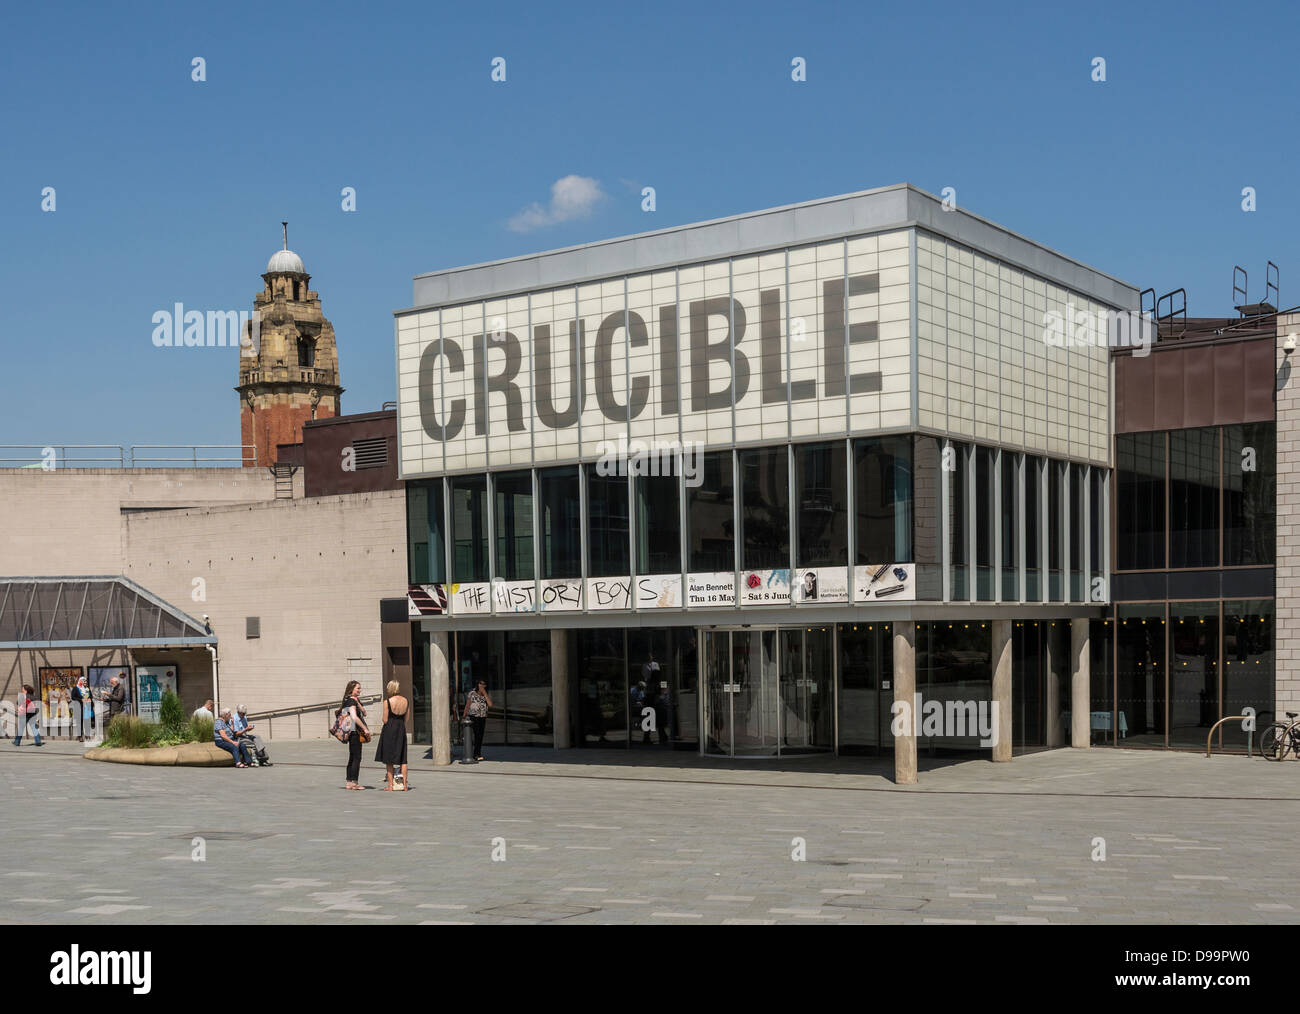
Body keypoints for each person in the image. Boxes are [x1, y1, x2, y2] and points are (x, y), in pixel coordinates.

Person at [374, 680, 410, 790]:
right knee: (403, 759)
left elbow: (385, 720)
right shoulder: (405, 701)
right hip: (401, 729)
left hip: (390, 729)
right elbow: (406, 719)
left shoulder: (387, 702)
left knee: (389, 759)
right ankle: (404, 785)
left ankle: (390, 785)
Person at [340, 680, 369, 790]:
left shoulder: (352, 701)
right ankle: (354, 782)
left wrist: (358, 703)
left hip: (352, 732)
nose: (360, 690)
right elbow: (354, 717)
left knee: (352, 757)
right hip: (355, 732)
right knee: (357, 757)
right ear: (352, 690)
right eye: (358, 688)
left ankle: (349, 782)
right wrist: (365, 728)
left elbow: (364, 713)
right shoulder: (351, 702)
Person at [461, 679, 491, 761]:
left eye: (484, 684)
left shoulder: (485, 694)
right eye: (480, 684)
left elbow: (490, 704)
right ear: (477, 684)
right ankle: (475, 754)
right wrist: (464, 716)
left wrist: (484, 693)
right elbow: (467, 705)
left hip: (482, 717)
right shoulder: (472, 693)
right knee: (477, 734)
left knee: (480, 736)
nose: (482, 685)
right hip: (474, 716)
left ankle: (477, 753)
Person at [71, 676, 95, 742]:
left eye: (86, 681)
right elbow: (73, 697)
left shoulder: (87, 689)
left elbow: (91, 696)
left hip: (87, 707)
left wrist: (89, 699)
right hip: (79, 708)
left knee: (87, 722)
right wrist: (81, 700)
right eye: (84, 681)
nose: (85, 682)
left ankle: (87, 735)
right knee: (79, 722)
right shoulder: (76, 688)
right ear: (80, 681)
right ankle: (80, 736)